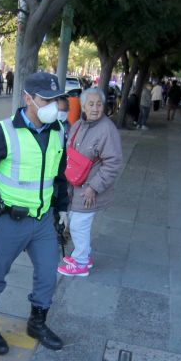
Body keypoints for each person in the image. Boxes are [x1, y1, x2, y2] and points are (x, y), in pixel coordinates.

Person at [0, 72, 69, 355]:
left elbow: (59, 176)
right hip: (10, 221)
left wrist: (63, 209)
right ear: (28, 99)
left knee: (48, 275)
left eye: (55, 99)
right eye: (45, 99)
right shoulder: (4, 132)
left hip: (43, 221)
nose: (53, 105)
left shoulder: (58, 131)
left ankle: (37, 323)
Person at [57, 88, 123, 277]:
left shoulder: (107, 129)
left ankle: (80, 263)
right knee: (77, 223)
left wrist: (94, 187)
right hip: (76, 185)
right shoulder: (79, 123)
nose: (95, 108)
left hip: (89, 189)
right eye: (91, 104)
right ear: (83, 106)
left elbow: (113, 163)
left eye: (99, 104)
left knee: (78, 225)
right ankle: (84, 255)